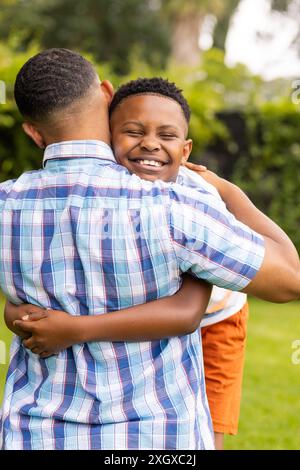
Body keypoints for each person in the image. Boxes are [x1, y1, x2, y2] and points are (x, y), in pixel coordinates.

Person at [0, 49, 300, 451]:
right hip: (156, 434)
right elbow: (290, 280)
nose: (150, 144)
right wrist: (228, 191)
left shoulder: (7, 205)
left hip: (35, 432)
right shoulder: (174, 202)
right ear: (107, 94)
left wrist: (14, 311)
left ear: (33, 133)